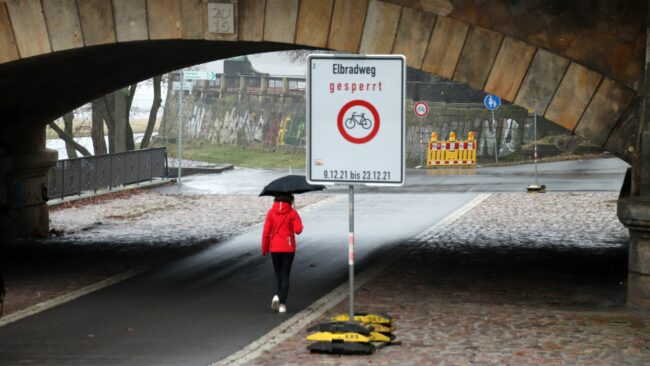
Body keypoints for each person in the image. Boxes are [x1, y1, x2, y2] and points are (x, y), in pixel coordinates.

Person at [261, 193, 303, 313]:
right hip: (288, 249)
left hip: (274, 248)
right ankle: (282, 305)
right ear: (290, 200)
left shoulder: (271, 212)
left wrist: (265, 249)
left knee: (277, 273)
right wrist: (296, 216)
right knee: (285, 275)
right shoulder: (292, 212)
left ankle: (275, 295)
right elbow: (298, 230)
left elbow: (266, 233)